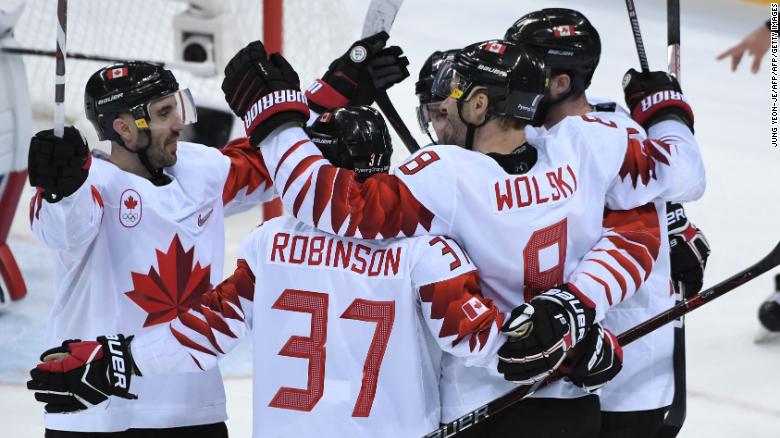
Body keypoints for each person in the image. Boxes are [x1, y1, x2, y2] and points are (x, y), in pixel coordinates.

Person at [217, 33, 705, 436]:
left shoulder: (446, 178)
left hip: (485, 406)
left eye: (446, 106)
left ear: (478, 104)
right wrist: (664, 109)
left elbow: (324, 200)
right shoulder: (589, 143)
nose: (437, 122)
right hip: (573, 402)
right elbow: (658, 206)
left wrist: (275, 117)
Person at [24, 106, 610, 437]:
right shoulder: (427, 251)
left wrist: (115, 360)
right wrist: (575, 337)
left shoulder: (268, 246)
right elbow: (491, 345)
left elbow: (204, 332)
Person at [25, 61, 278, 437]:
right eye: (164, 113)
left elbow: (276, 164)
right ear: (124, 128)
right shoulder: (89, 185)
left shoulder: (200, 168)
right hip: (97, 408)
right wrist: (62, 190)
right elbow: (63, 231)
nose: (178, 122)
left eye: (176, 107)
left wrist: (333, 92)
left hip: (192, 411)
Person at [504, 8, 710, 438]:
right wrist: (665, 114)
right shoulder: (604, 127)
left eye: (523, 70)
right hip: (565, 363)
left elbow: (685, 173)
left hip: (627, 369)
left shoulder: (607, 133)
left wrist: (664, 117)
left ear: (561, 84)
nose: (510, 79)